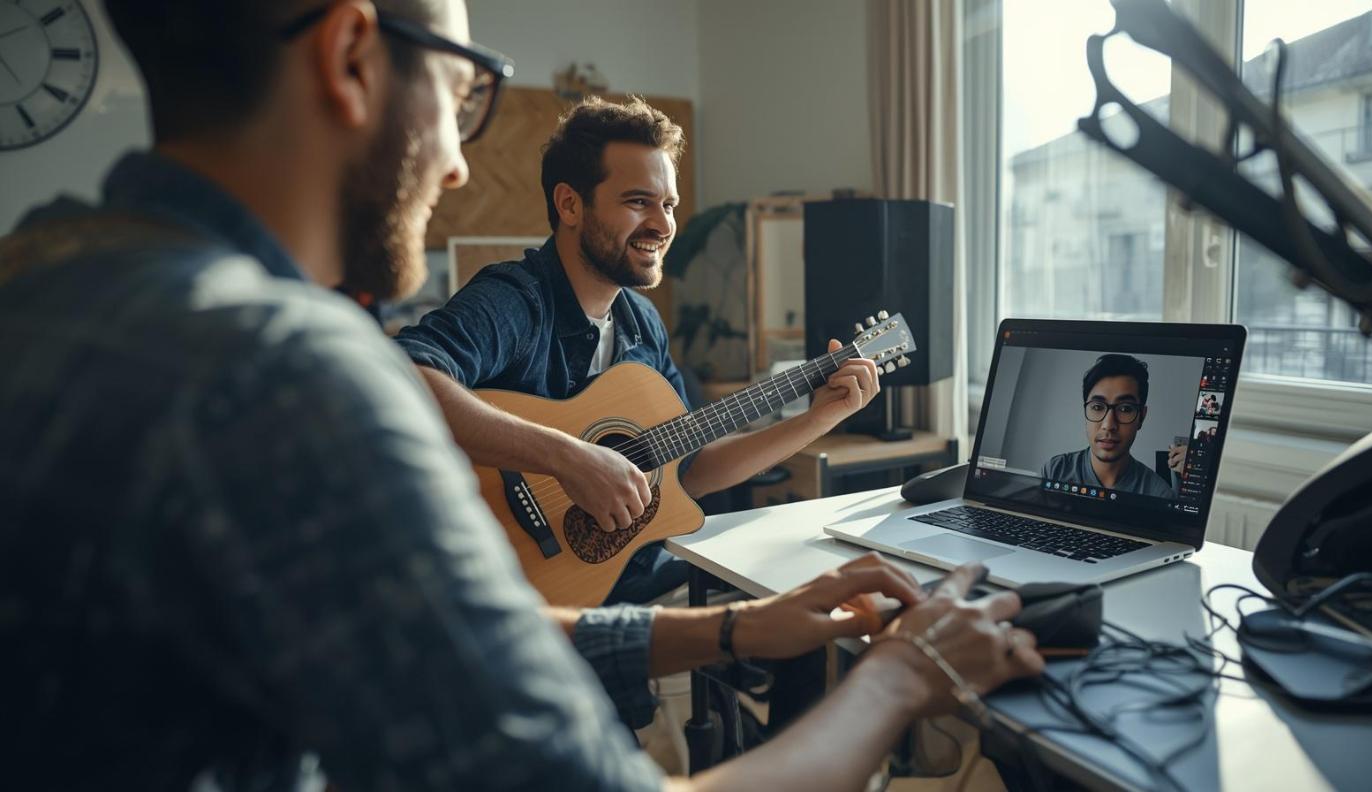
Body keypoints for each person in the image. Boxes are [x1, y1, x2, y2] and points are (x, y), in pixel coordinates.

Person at [0, 1, 1043, 790]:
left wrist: (735, 629)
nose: (457, 166)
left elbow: (452, 619)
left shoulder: (42, 273)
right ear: (350, 56)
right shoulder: (282, 370)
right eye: (464, 98)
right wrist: (906, 677)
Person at [395, 97, 881, 604]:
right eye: (637, 201)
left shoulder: (642, 323)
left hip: (616, 585)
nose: (663, 225)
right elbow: (404, 377)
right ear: (569, 205)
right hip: (492, 588)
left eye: (668, 204)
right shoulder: (517, 300)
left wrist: (817, 419)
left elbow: (689, 469)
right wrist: (570, 459)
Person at [1042, 354, 1179, 497]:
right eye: (1097, 407)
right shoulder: (1055, 471)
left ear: (1141, 417)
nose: (1108, 425)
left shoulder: (1159, 495)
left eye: (1125, 409)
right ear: (1085, 411)